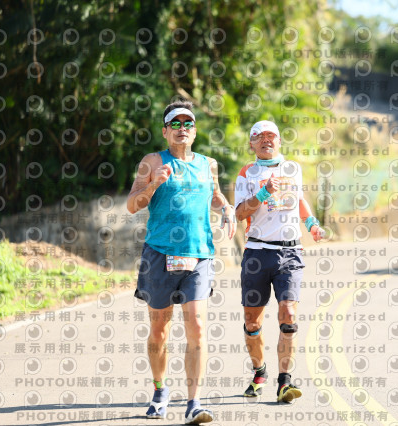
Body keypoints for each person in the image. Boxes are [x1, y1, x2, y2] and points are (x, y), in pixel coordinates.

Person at [126, 100, 237, 424]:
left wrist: (227, 208)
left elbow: (214, 195)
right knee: (159, 330)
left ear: (195, 131)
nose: (182, 129)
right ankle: (160, 390)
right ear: (165, 131)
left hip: (198, 254)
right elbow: (132, 205)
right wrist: (154, 183)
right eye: (175, 124)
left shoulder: (208, 164)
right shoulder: (152, 161)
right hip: (159, 254)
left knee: (197, 328)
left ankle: (194, 403)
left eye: (188, 124)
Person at [234, 120, 325, 404]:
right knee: (252, 321)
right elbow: (239, 213)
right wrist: (263, 193)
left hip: (290, 253)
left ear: (279, 141)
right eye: (259, 137)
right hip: (257, 253)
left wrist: (311, 223)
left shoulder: (293, 168)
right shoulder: (247, 173)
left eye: (271, 136)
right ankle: (259, 371)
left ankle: (285, 382)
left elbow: (299, 199)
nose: (266, 140)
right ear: (252, 143)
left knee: (288, 313)